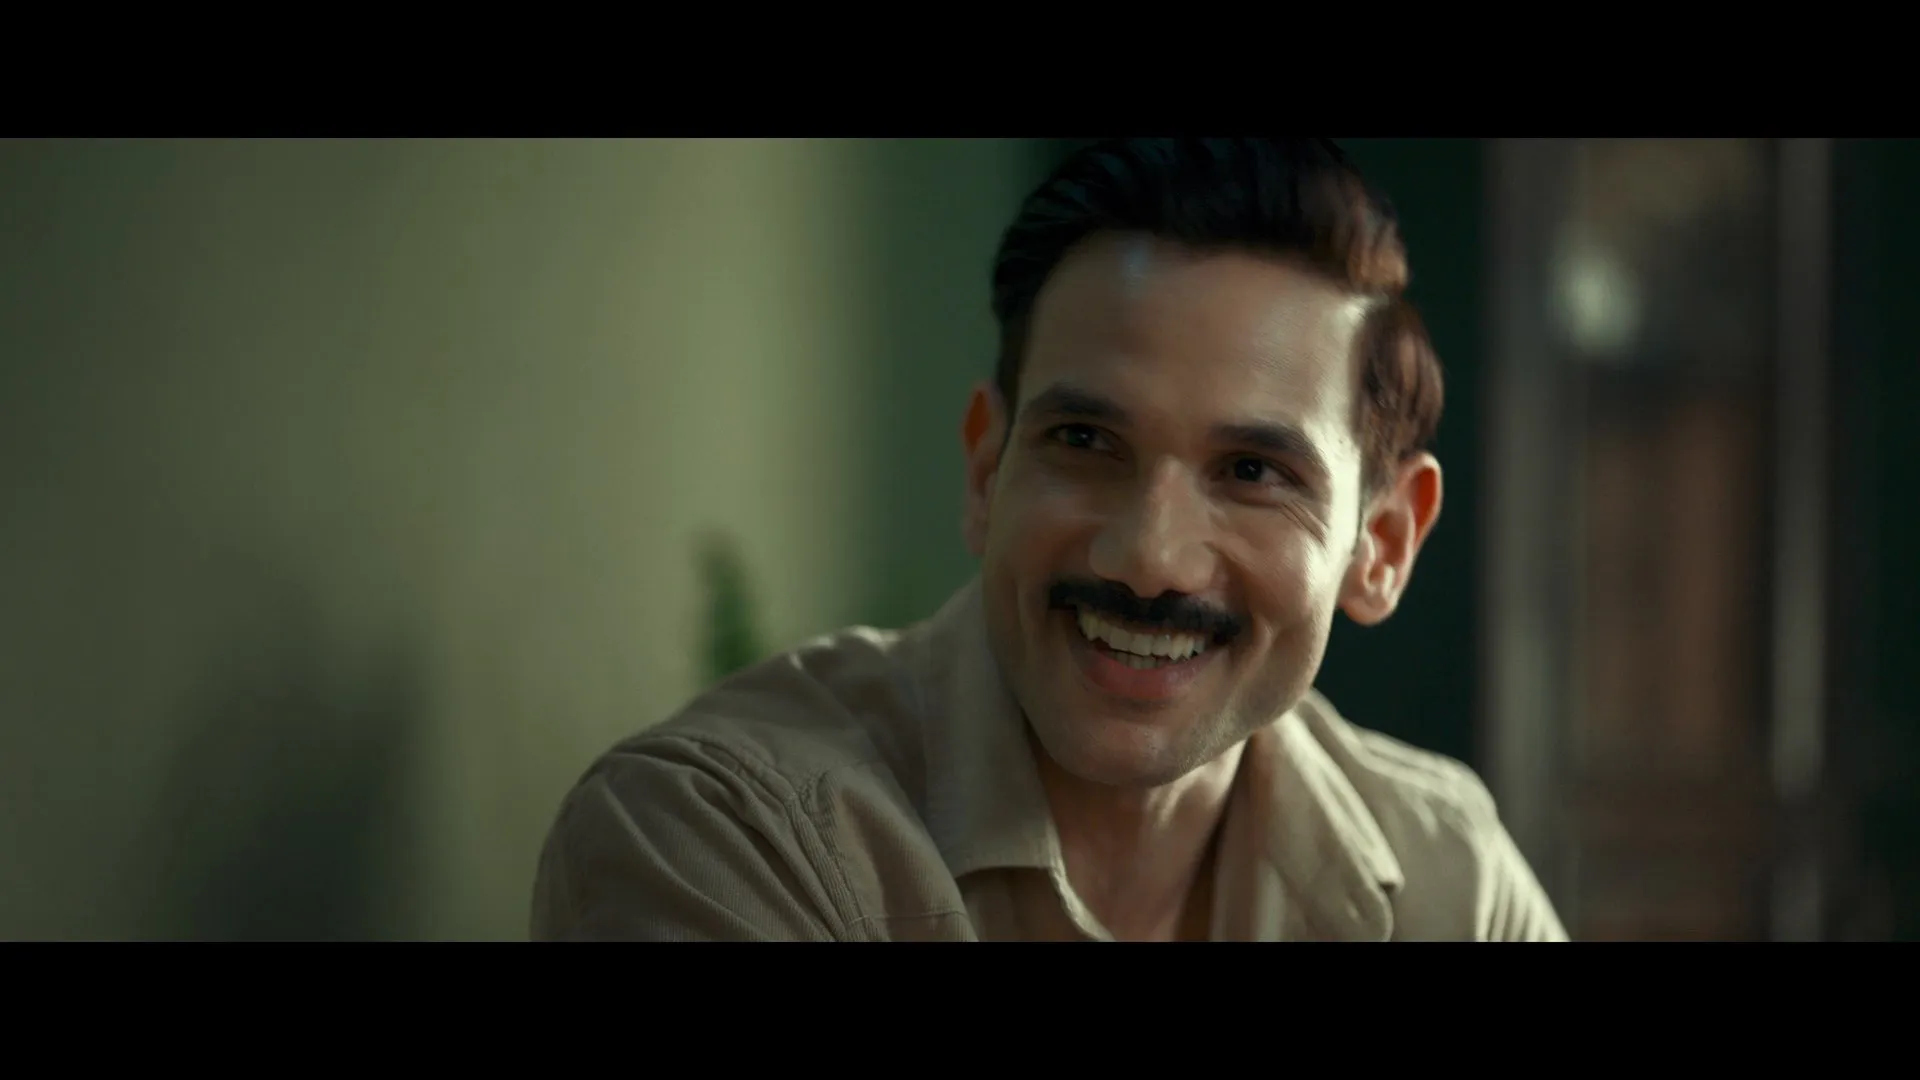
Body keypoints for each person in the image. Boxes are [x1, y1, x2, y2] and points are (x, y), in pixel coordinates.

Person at [530, 138, 1568, 942]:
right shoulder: (720, 835)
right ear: (988, 470)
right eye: (1085, 442)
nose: (1148, 559)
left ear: (1381, 542)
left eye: (1253, 473)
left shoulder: (1451, 878)